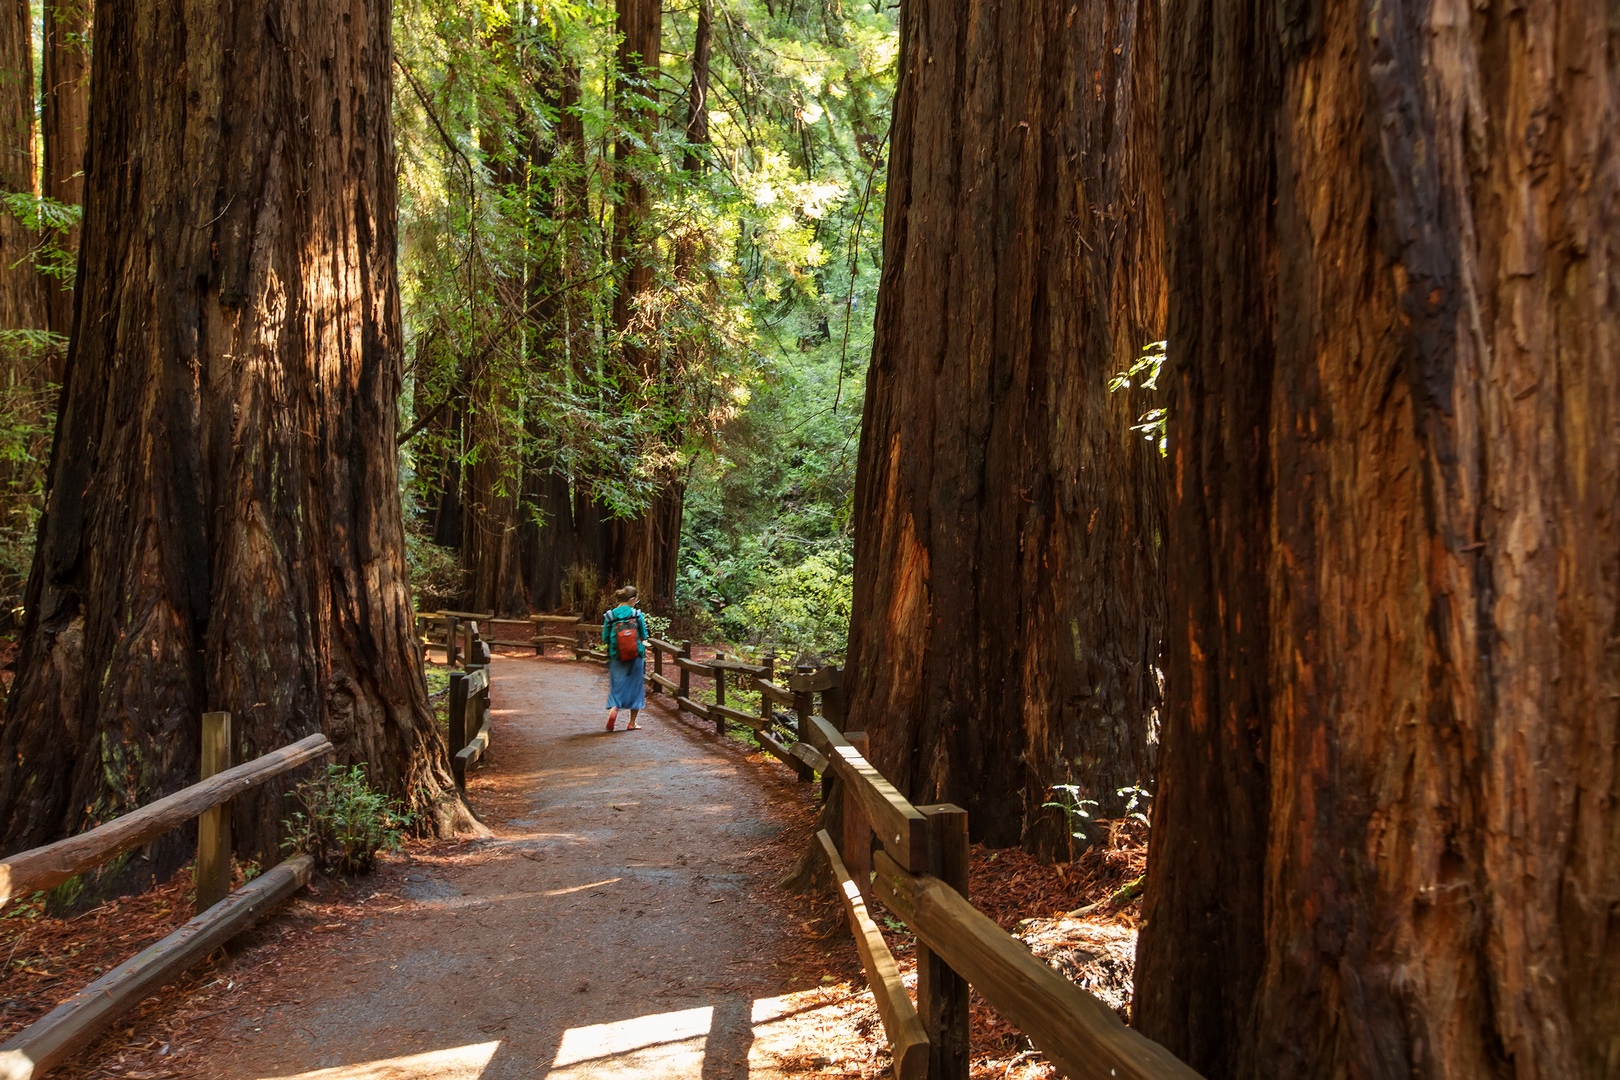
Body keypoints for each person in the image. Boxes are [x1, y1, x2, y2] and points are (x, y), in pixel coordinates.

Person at [602, 585, 649, 731]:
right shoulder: (636, 614)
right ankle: (632, 723)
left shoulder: (610, 615)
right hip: (636, 655)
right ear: (632, 599)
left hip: (616, 655)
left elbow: (605, 638)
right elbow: (644, 635)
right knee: (636, 687)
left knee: (617, 686)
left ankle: (614, 709)